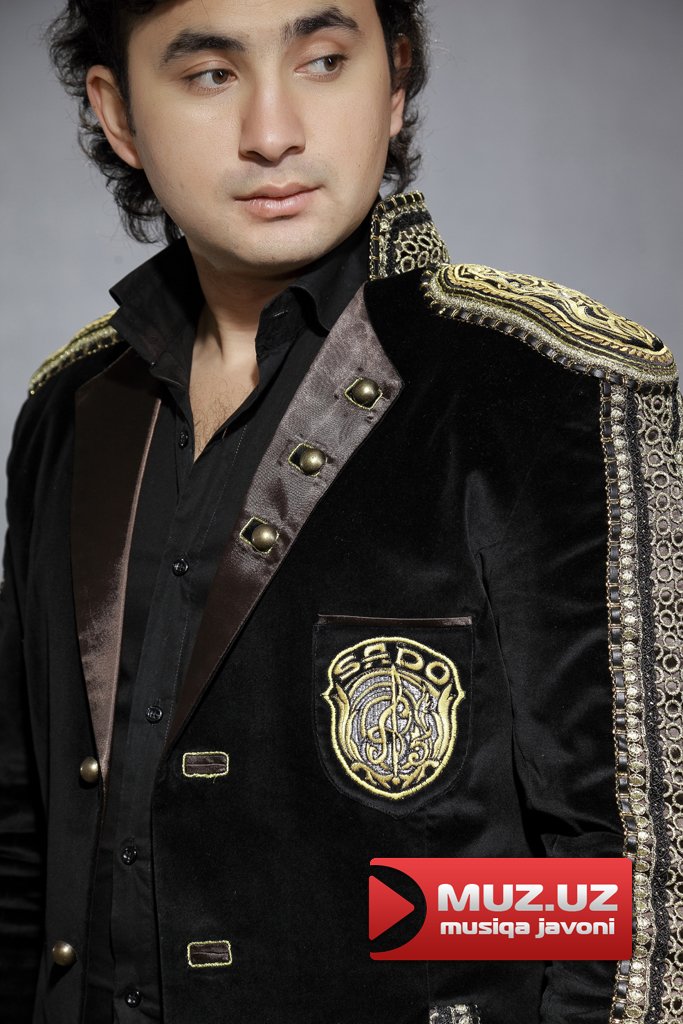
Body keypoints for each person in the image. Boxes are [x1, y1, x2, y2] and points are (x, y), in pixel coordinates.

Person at [0, 0, 680, 1022]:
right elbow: (26, 840)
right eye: (211, 74)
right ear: (120, 112)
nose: (272, 132)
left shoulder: (546, 386)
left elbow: (633, 884)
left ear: (394, 80)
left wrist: (396, 938)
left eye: (322, 61)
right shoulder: (70, 407)